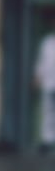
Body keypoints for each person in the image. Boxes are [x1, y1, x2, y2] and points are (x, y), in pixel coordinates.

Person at [33, 19, 55, 153]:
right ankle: (48, 140)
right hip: (49, 83)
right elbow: (41, 61)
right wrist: (37, 76)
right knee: (48, 112)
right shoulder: (47, 42)